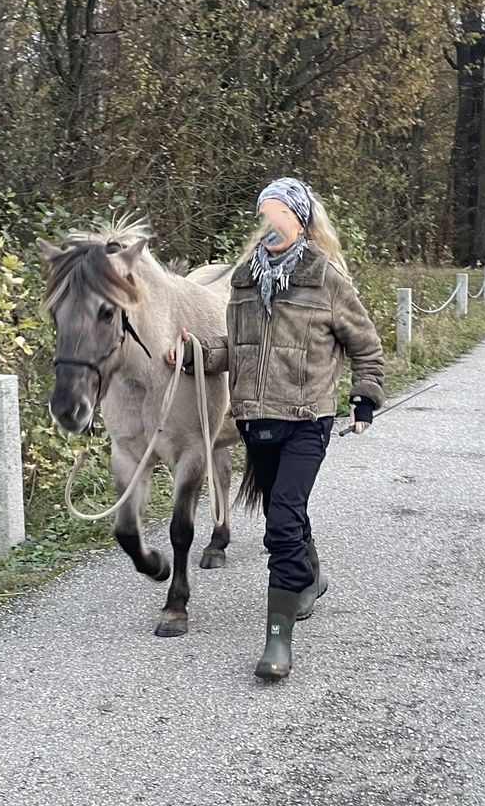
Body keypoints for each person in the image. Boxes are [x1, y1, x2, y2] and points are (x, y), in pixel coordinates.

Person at [166, 177, 385, 680]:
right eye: (264, 214)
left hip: (308, 420)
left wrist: (364, 399)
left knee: (280, 522)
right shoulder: (245, 279)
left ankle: (278, 642)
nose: (270, 224)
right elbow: (232, 349)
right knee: (286, 509)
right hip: (255, 420)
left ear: (300, 220)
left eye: (278, 213)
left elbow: (366, 346)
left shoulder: (327, 278)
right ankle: (310, 575)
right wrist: (193, 354)